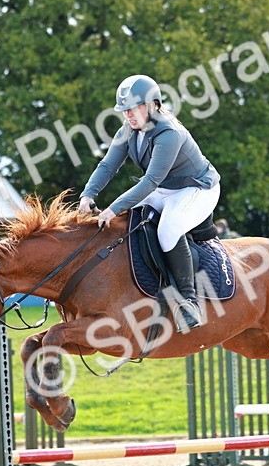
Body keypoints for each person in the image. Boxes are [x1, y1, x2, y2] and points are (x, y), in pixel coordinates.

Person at [80, 75, 221, 332]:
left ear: (152, 104)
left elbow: (150, 182)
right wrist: (88, 195)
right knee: (127, 221)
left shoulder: (169, 133)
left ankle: (189, 302)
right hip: (166, 187)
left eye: (133, 109)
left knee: (167, 230)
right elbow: (108, 165)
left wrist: (113, 208)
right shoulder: (127, 130)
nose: (129, 116)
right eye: (125, 111)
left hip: (196, 188)